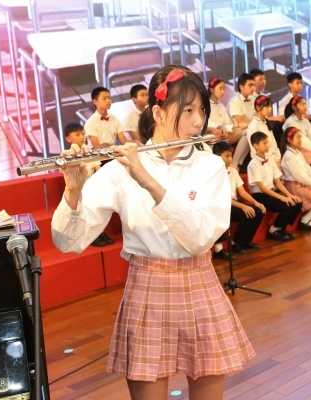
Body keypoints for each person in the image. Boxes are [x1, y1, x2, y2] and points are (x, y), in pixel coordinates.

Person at [52, 65, 255, 400]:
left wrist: (148, 181)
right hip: (147, 289)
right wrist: (72, 191)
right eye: (187, 110)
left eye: (201, 110)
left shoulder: (210, 166)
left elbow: (200, 239)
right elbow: (68, 242)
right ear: (158, 113)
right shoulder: (121, 168)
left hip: (200, 283)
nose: (198, 121)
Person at [64, 122, 114, 246]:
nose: (82, 137)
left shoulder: (90, 153)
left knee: (99, 210)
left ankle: (100, 232)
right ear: (68, 138)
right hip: (79, 188)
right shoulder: (68, 155)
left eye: (83, 134)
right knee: (87, 211)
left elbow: (98, 170)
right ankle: (91, 235)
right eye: (77, 134)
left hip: (93, 186)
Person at [212, 141, 265, 258]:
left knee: (258, 211)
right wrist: (243, 206)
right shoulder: (213, 174)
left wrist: (255, 202)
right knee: (245, 214)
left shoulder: (233, 171)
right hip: (221, 205)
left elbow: (242, 191)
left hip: (233, 202)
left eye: (231, 155)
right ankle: (233, 244)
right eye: (227, 156)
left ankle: (245, 241)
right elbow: (222, 198)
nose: (230, 159)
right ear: (217, 157)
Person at [248, 131, 302, 241]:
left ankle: (281, 228)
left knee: (297, 202)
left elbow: (277, 182)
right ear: (255, 146)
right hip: (261, 196)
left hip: (272, 192)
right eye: (264, 143)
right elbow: (262, 188)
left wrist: (288, 195)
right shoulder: (253, 164)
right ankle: (273, 230)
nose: (268, 145)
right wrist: (282, 198)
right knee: (287, 205)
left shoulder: (270, 159)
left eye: (268, 142)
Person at [232, 95, 281, 169]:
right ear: (258, 108)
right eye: (267, 107)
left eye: (270, 107)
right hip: (262, 162)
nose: (270, 109)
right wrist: (273, 161)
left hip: (273, 158)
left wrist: (278, 157)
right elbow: (255, 151)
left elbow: (274, 144)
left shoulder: (266, 123)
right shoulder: (253, 126)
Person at [206, 76, 243, 144]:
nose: (223, 92)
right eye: (220, 89)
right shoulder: (206, 106)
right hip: (211, 137)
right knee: (242, 132)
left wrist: (233, 126)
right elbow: (207, 124)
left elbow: (227, 123)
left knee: (242, 131)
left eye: (224, 89)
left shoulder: (221, 106)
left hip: (223, 135)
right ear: (211, 90)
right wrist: (220, 127)